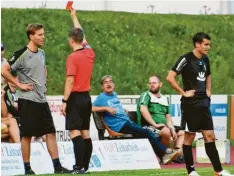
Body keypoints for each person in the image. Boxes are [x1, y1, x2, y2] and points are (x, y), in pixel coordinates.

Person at [1, 24, 70, 174]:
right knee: (27, 135)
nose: (43, 37)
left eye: (43, 34)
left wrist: (44, 83)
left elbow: (43, 68)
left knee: (50, 133)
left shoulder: (42, 53)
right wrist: (19, 84)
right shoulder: (22, 54)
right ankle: (27, 169)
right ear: (31, 36)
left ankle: (58, 168)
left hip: (41, 100)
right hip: (28, 101)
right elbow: (3, 70)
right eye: (39, 35)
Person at [166, 32, 233, 176]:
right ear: (197, 44)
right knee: (189, 137)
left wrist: (209, 90)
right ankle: (191, 171)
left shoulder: (205, 59)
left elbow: (208, 75)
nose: (208, 47)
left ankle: (218, 171)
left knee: (210, 136)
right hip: (190, 104)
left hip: (204, 104)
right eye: (206, 44)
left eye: (209, 44)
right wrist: (183, 93)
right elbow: (170, 77)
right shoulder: (185, 59)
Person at [92, 75, 179, 164]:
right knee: (146, 132)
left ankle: (164, 156)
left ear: (114, 84)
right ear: (102, 86)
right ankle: (166, 152)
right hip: (119, 125)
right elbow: (90, 108)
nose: (108, 84)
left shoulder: (114, 94)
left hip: (126, 122)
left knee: (146, 133)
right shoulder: (101, 97)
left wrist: (122, 109)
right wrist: (106, 108)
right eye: (105, 82)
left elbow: (115, 106)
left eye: (110, 82)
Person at [60, 8, 95, 174]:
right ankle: (85, 167)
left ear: (70, 40)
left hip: (74, 98)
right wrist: (73, 16)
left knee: (75, 133)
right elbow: (82, 35)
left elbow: (70, 80)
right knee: (85, 133)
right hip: (87, 98)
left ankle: (78, 166)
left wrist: (64, 101)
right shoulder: (89, 53)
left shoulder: (72, 58)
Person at [137, 75, 184, 162]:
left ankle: (176, 154)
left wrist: (172, 128)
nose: (151, 85)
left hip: (163, 126)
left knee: (182, 132)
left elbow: (168, 117)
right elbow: (143, 110)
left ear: (160, 84)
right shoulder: (146, 95)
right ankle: (164, 156)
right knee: (166, 132)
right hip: (147, 126)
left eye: (154, 83)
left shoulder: (164, 98)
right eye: (150, 83)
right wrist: (155, 124)